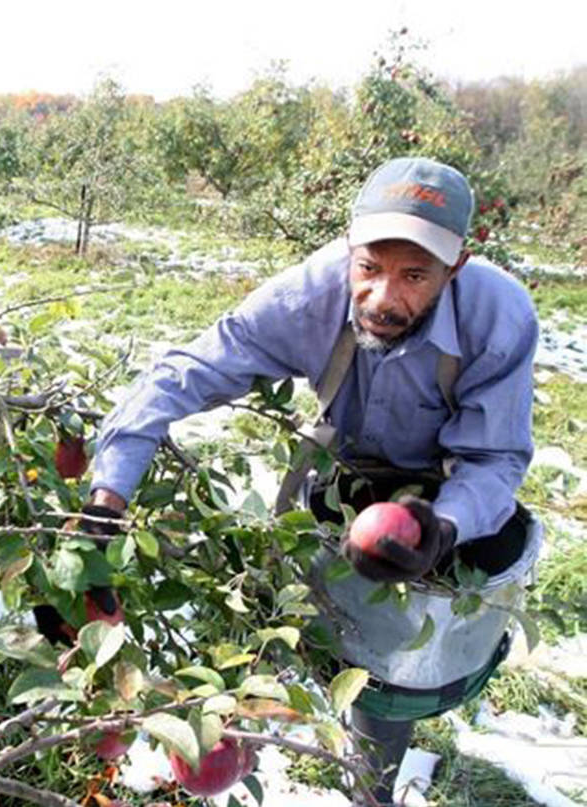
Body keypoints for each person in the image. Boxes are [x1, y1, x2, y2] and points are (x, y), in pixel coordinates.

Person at [81, 157, 539, 805]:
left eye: (414, 275)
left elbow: (495, 461)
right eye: (370, 267)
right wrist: (110, 491)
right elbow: (185, 372)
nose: (383, 295)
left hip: (442, 492)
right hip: (337, 470)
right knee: (280, 617)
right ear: (350, 247)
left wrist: (443, 527)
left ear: (454, 267)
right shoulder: (310, 297)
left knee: (392, 659)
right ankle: (237, 738)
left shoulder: (497, 317)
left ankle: (371, 778)